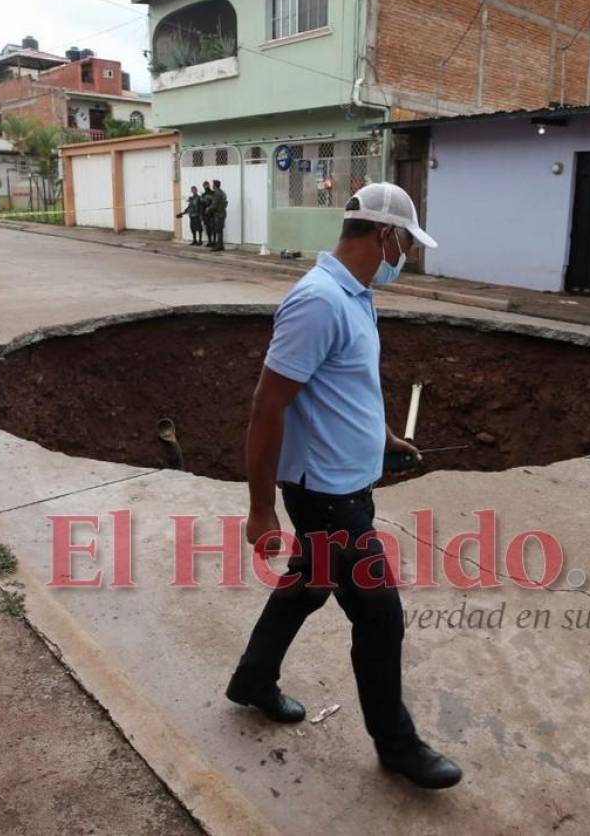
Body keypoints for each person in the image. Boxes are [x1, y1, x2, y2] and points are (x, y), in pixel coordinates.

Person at [226, 182, 463, 791]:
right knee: (380, 615)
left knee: (309, 585)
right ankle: (398, 746)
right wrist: (261, 510)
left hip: (350, 485)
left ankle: (253, 679)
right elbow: (267, 407)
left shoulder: (357, 297)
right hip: (323, 494)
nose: (406, 253)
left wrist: (383, 435)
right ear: (385, 234)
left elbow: (350, 384)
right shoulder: (318, 302)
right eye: (406, 240)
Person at [210, 179, 228, 252]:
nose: (212, 186)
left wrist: (208, 209)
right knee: (220, 230)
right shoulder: (222, 192)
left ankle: (219, 246)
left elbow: (214, 204)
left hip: (218, 214)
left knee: (218, 230)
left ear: (215, 185)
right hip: (222, 212)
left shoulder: (217, 193)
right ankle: (221, 245)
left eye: (213, 184)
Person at [200, 181, 215, 249]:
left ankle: (214, 241)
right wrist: (201, 215)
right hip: (205, 215)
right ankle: (210, 241)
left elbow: (215, 203)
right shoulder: (203, 195)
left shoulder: (213, 193)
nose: (206, 186)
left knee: (213, 228)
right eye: (204, 185)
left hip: (212, 214)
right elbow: (201, 206)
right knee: (207, 228)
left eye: (207, 185)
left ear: (209, 185)